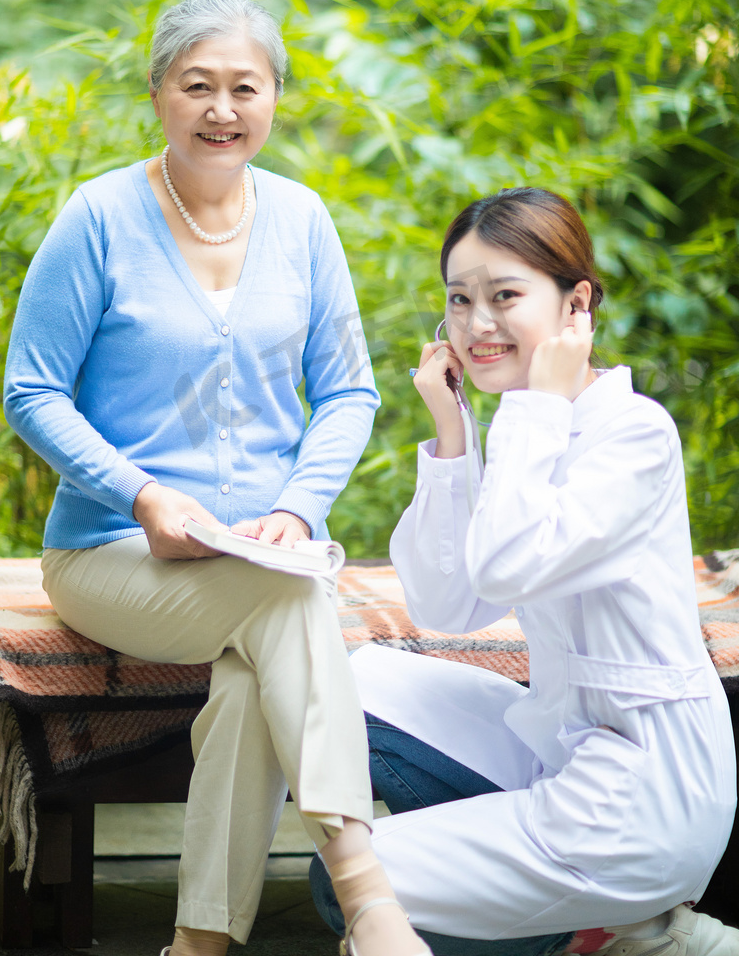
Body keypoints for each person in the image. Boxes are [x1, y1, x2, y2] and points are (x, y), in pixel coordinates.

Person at [4, 0, 431, 956]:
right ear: (158, 93)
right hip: (114, 553)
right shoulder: (99, 217)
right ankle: (365, 888)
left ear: (275, 98)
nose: (222, 109)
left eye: (246, 87)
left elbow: (351, 393)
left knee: (252, 670)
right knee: (288, 609)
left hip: (262, 554)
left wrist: (296, 506)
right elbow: (31, 392)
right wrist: (142, 494)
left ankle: (200, 943)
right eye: (198, 85)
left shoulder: (303, 217)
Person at [310, 187, 738, 956]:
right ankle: (613, 925)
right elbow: (450, 601)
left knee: (346, 887)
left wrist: (534, 409)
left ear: (577, 304)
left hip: (645, 793)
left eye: (505, 295)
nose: (477, 325)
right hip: (565, 747)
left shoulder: (632, 434)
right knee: (345, 683)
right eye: (459, 299)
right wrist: (451, 433)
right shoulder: (525, 422)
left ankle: (615, 933)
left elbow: (507, 563)